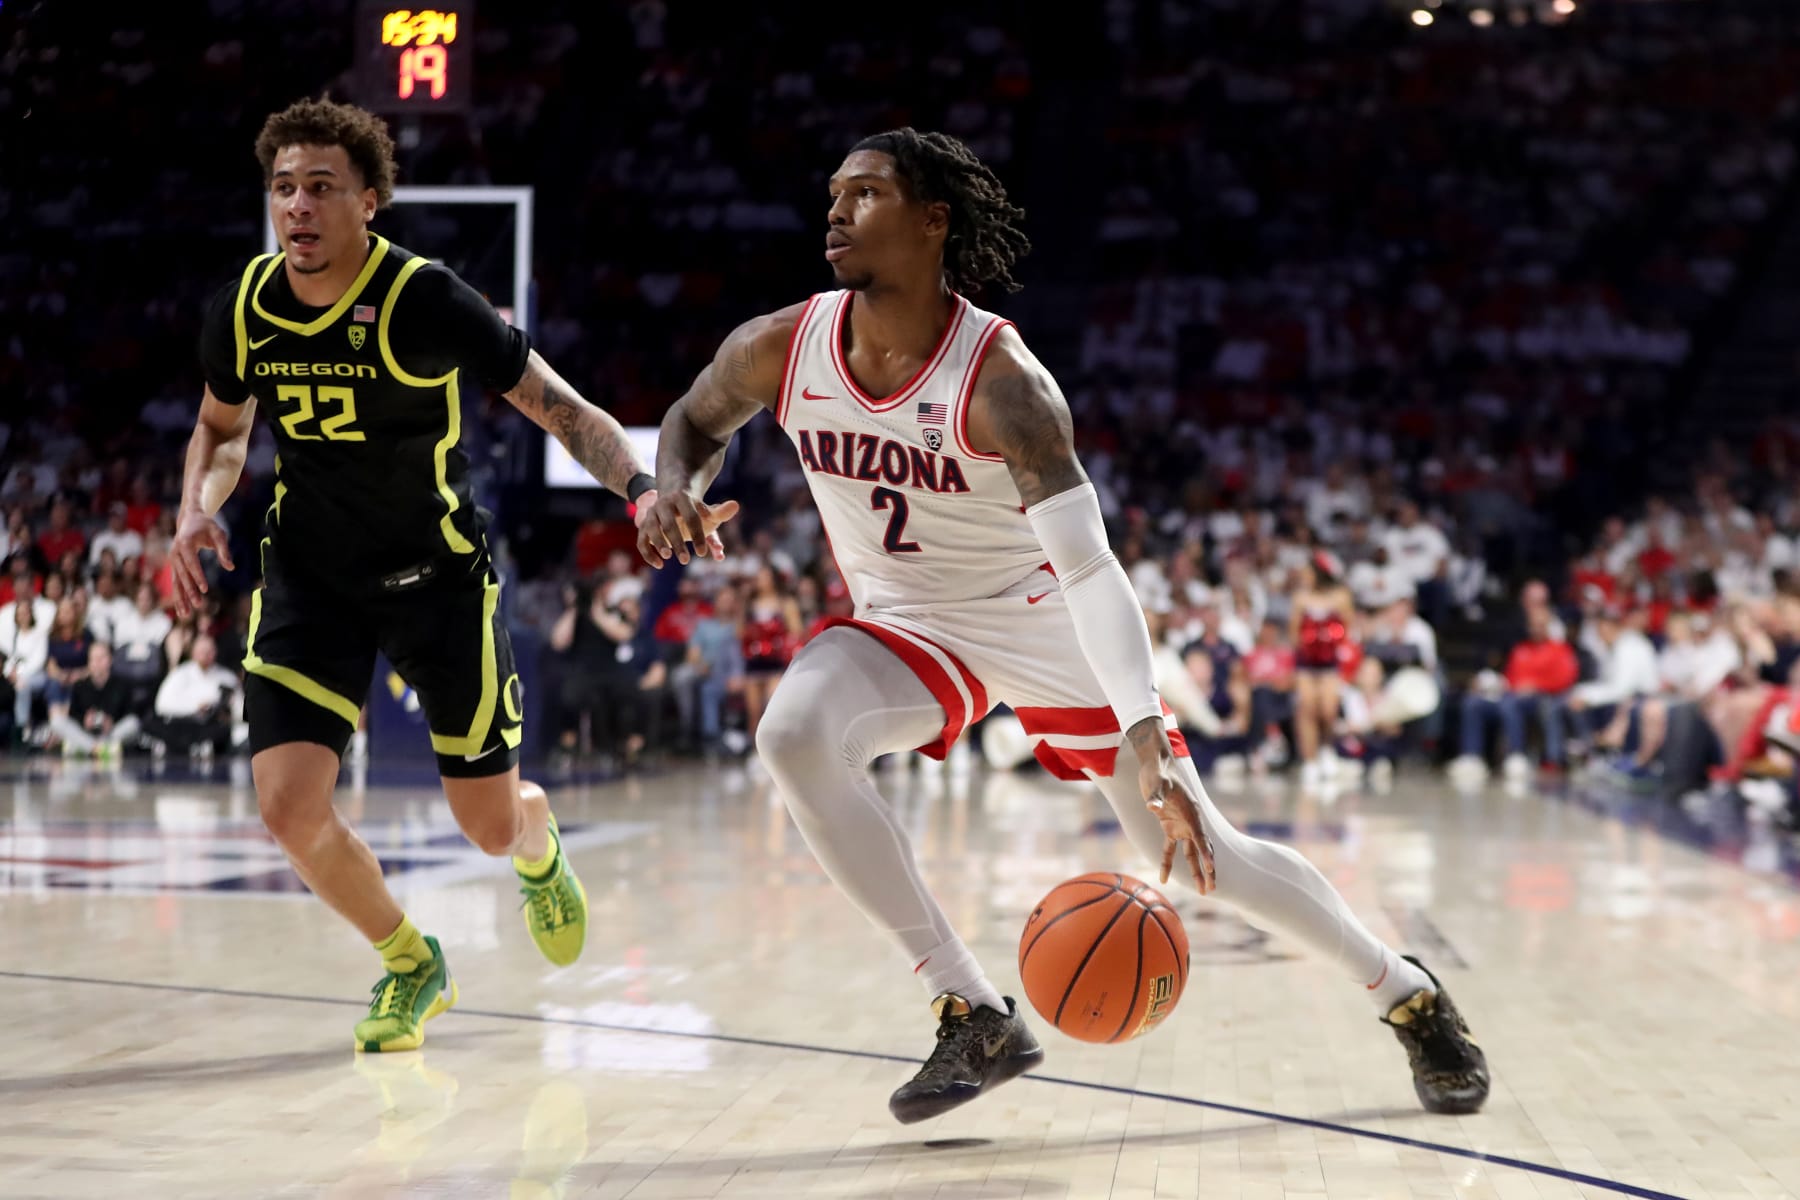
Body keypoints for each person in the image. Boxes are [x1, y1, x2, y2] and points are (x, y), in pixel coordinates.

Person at [636, 128, 1487, 1123]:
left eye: (864, 194)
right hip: (909, 623)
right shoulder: (780, 345)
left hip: (1041, 623)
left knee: (1202, 855)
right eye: (833, 193)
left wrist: (1146, 728)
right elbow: (692, 424)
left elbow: (1087, 564)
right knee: (790, 734)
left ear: (932, 219)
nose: (836, 211)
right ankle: (972, 1009)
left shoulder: (1003, 383)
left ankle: (1407, 993)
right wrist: (668, 490)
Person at [175, 97, 682, 1052]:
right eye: (284, 188)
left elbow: (562, 411)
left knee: (487, 825)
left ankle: (535, 843)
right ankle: (412, 962)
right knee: (288, 808)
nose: (298, 206)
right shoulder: (245, 305)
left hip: (434, 574)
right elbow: (220, 426)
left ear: (370, 202)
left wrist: (643, 489)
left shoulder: (425, 298)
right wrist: (196, 507)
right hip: (310, 579)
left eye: (321, 187)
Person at [1289, 553, 1356, 789]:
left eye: (1308, 573)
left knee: (1328, 709)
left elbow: (1349, 626)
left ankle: (1327, 749)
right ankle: (1310, 760)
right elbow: (1294, 632)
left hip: (1330, 663)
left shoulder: (1340, 596)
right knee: (1306, 706)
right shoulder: (1300, 598)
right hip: (1307, 663)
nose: (1304, 577)